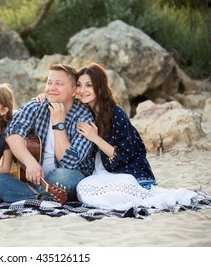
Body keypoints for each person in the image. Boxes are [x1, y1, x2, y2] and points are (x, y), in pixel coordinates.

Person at [74, 62, 198, 210]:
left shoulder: (116, 113)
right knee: (83, 188)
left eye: (88, 85)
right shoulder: (83, 112)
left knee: (120, 189)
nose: (82, 90)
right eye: (79, 85)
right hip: (100, 174)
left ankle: (141, 197)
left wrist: (95, 138)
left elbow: (125, 154)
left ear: (100, 87)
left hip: (126, 172)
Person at [0, 64, 95, 203]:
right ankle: (40, 197)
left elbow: (69, 162)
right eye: (49, 83)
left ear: (74, 91)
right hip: (31, 177)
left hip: (66, 174)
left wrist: (59, 125)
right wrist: (30, 162)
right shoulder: (38, 105)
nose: (52, 88)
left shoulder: (84, 118)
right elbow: (12, 132)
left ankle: (28, 194)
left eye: (59, 84)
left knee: (66, 178)